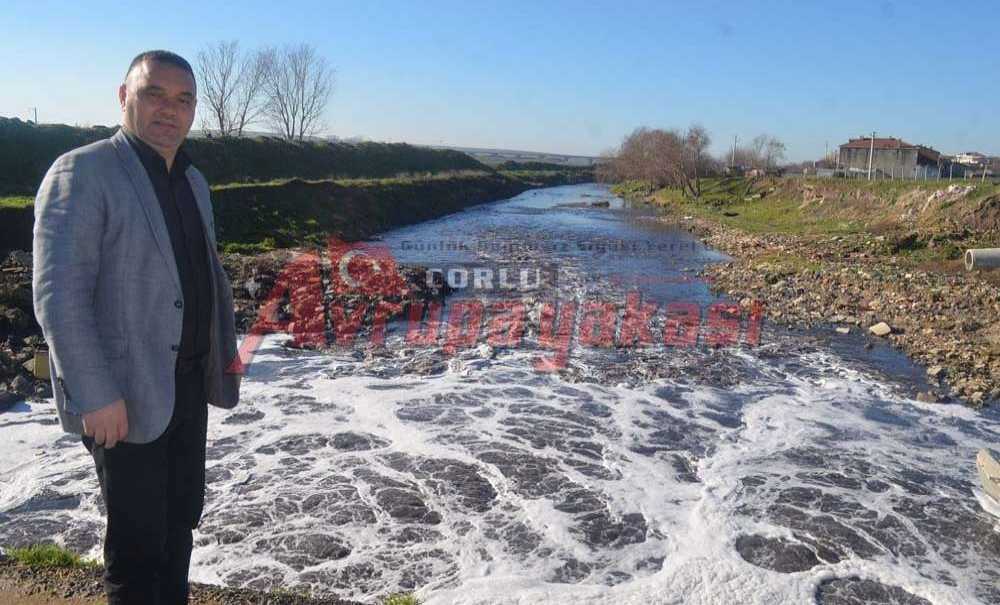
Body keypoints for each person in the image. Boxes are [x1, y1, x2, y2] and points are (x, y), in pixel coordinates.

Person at [32, 50, 242, 604]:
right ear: (124, 97)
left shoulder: (192, 180)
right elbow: (59, 294)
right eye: (155, 94)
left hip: (187, 386)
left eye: (184, 99)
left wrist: (225, 349)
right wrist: (95, 394)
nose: (170, 110)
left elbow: (201, 275)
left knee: (178, 529)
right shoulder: (83, 171)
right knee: (136, 548)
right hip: (122, 397)